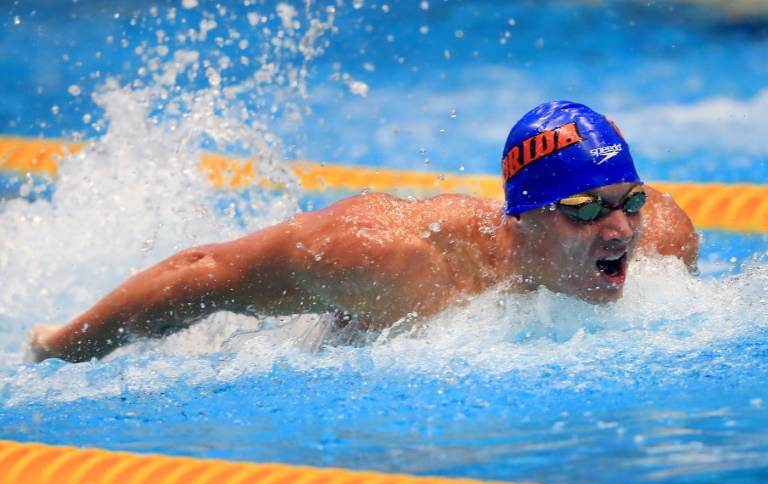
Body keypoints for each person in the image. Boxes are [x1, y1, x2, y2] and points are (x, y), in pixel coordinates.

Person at [29, 101, 699, 363]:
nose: (620, 229)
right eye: (584, 208)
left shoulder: (664, 240)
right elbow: (202, 271)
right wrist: (61, 346)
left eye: (629, 199)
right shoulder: (392, 257)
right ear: (523, 216)